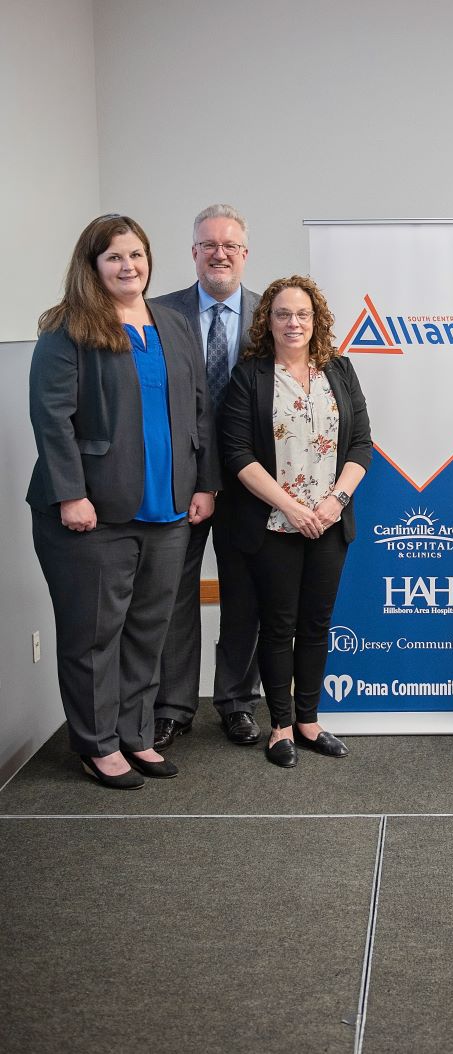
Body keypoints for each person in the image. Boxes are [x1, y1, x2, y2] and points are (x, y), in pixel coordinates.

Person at [27, 214, 219, 789]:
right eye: (114, 257)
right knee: (93, 635)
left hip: (168, 509)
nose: (129, 266)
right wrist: (71, 494)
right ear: (92, 265)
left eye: (137, 254)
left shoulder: (174, 322)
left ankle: (135, 735)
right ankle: (95, 743)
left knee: (147, 630)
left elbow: (200, 408)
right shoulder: (68, 327)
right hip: (92, 513)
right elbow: (52, 418)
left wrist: (204, 484)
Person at [220, 275, 372, 768]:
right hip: (273, 524)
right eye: (283, 314)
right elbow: (238, 453)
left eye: (302, 314)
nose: (293, 322)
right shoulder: (250, 376)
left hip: (330, 521)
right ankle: (280, 727)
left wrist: (335, 502)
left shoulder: (340, 370)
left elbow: (361, 444)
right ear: (268, 320)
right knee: (278, 624)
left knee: (316, 624)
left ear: (316, 320)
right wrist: (289, 506)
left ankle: (309, 720)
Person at [152, 204, 262, 750]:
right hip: (179, 479)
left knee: (246, 594)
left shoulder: (273, 314)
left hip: (252, 483)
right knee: (173, 593)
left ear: (245, 253)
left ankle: (237, 701)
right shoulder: (157, 313)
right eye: (208, 245)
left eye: (230, 246)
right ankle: (173, 706)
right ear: (193, 251)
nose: (219, 254)